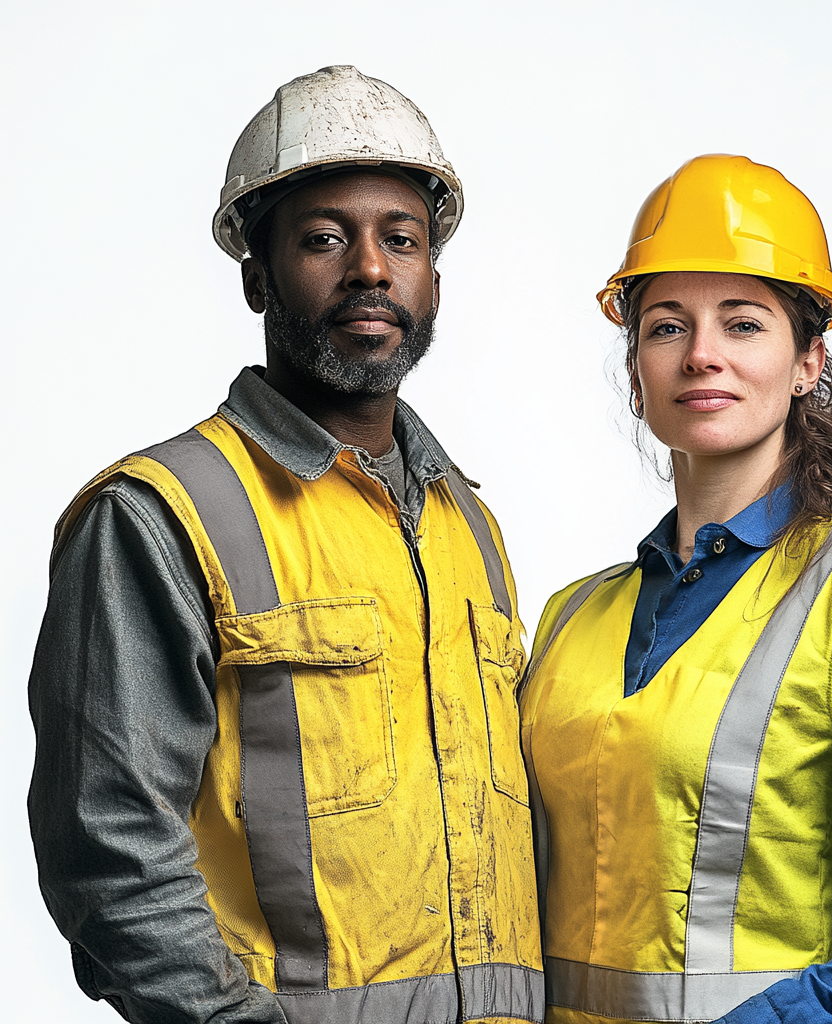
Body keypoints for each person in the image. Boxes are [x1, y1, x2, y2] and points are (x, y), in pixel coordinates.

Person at [28, 66, 542, 1024]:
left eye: (403, 238)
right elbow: (110, 846)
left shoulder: (467, 524)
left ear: (434, 275)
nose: (371, 269)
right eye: (322, 238)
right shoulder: (160, 513)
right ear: (256, 272)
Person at [518, 154, 832, 1024]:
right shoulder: (569, 618)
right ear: (635, 371)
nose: (702, 355)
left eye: (743, 325)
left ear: (810, 360)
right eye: (667, 327)